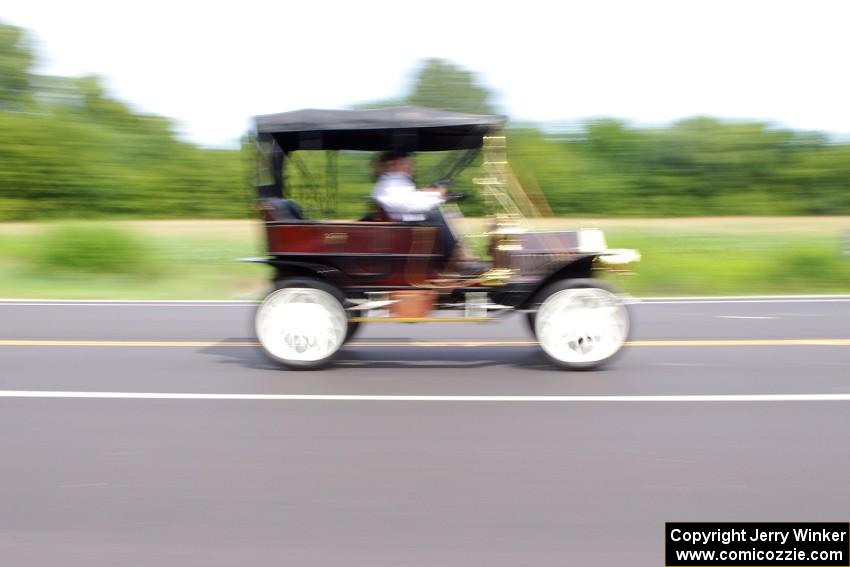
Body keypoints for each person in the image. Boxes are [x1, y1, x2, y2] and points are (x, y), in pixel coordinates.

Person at [370, 151, 458, 261]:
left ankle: (458, 257)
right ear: (396, 164)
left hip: (402, 220)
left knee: (445, 214)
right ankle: (455, 260)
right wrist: (438, 196)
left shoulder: (393, 181)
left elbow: (407, 198)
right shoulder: (392, 182)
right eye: (407, 163)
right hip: (401, 224)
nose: (411, 166)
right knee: (440, 216)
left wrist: (428, 193)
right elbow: (409, 205)